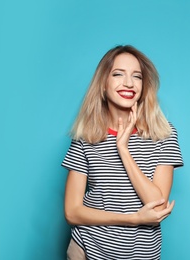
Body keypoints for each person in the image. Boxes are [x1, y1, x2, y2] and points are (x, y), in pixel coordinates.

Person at [62, 45, 183, 259]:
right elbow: (72, 212)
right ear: (103, 85)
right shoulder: (85, 136)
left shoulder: (163, 134)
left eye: (137, 77)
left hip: (142, 254)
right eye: (118, 74)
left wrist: (123, 150)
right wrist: (133, 218)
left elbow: (158, 206)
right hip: (87, 249)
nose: (128, 83)